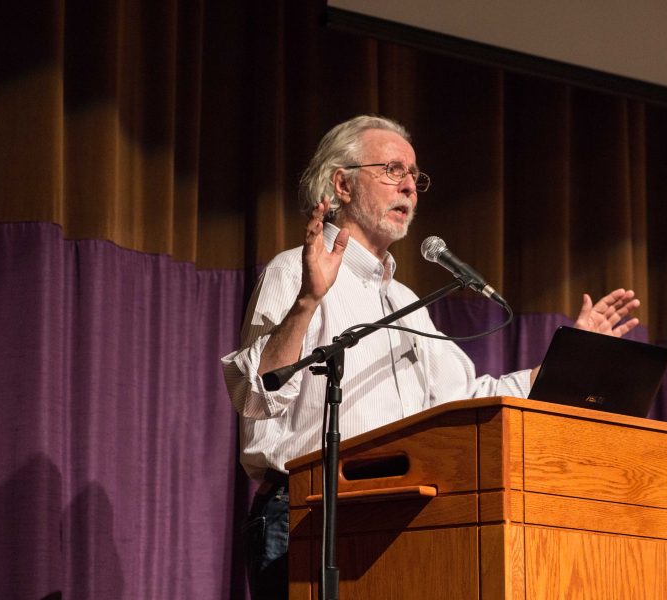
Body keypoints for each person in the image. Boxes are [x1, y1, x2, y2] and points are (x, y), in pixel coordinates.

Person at [221, 115, 640, 599]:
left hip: (400, 520)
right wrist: (308, 302)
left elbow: (466, 400)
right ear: (342, 183)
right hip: (305, 517)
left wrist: (570, 360)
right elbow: (256, 395)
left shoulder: (404, 302)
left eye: (415, 177)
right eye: (392, 170)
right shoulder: (293, 272)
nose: (410, 188)